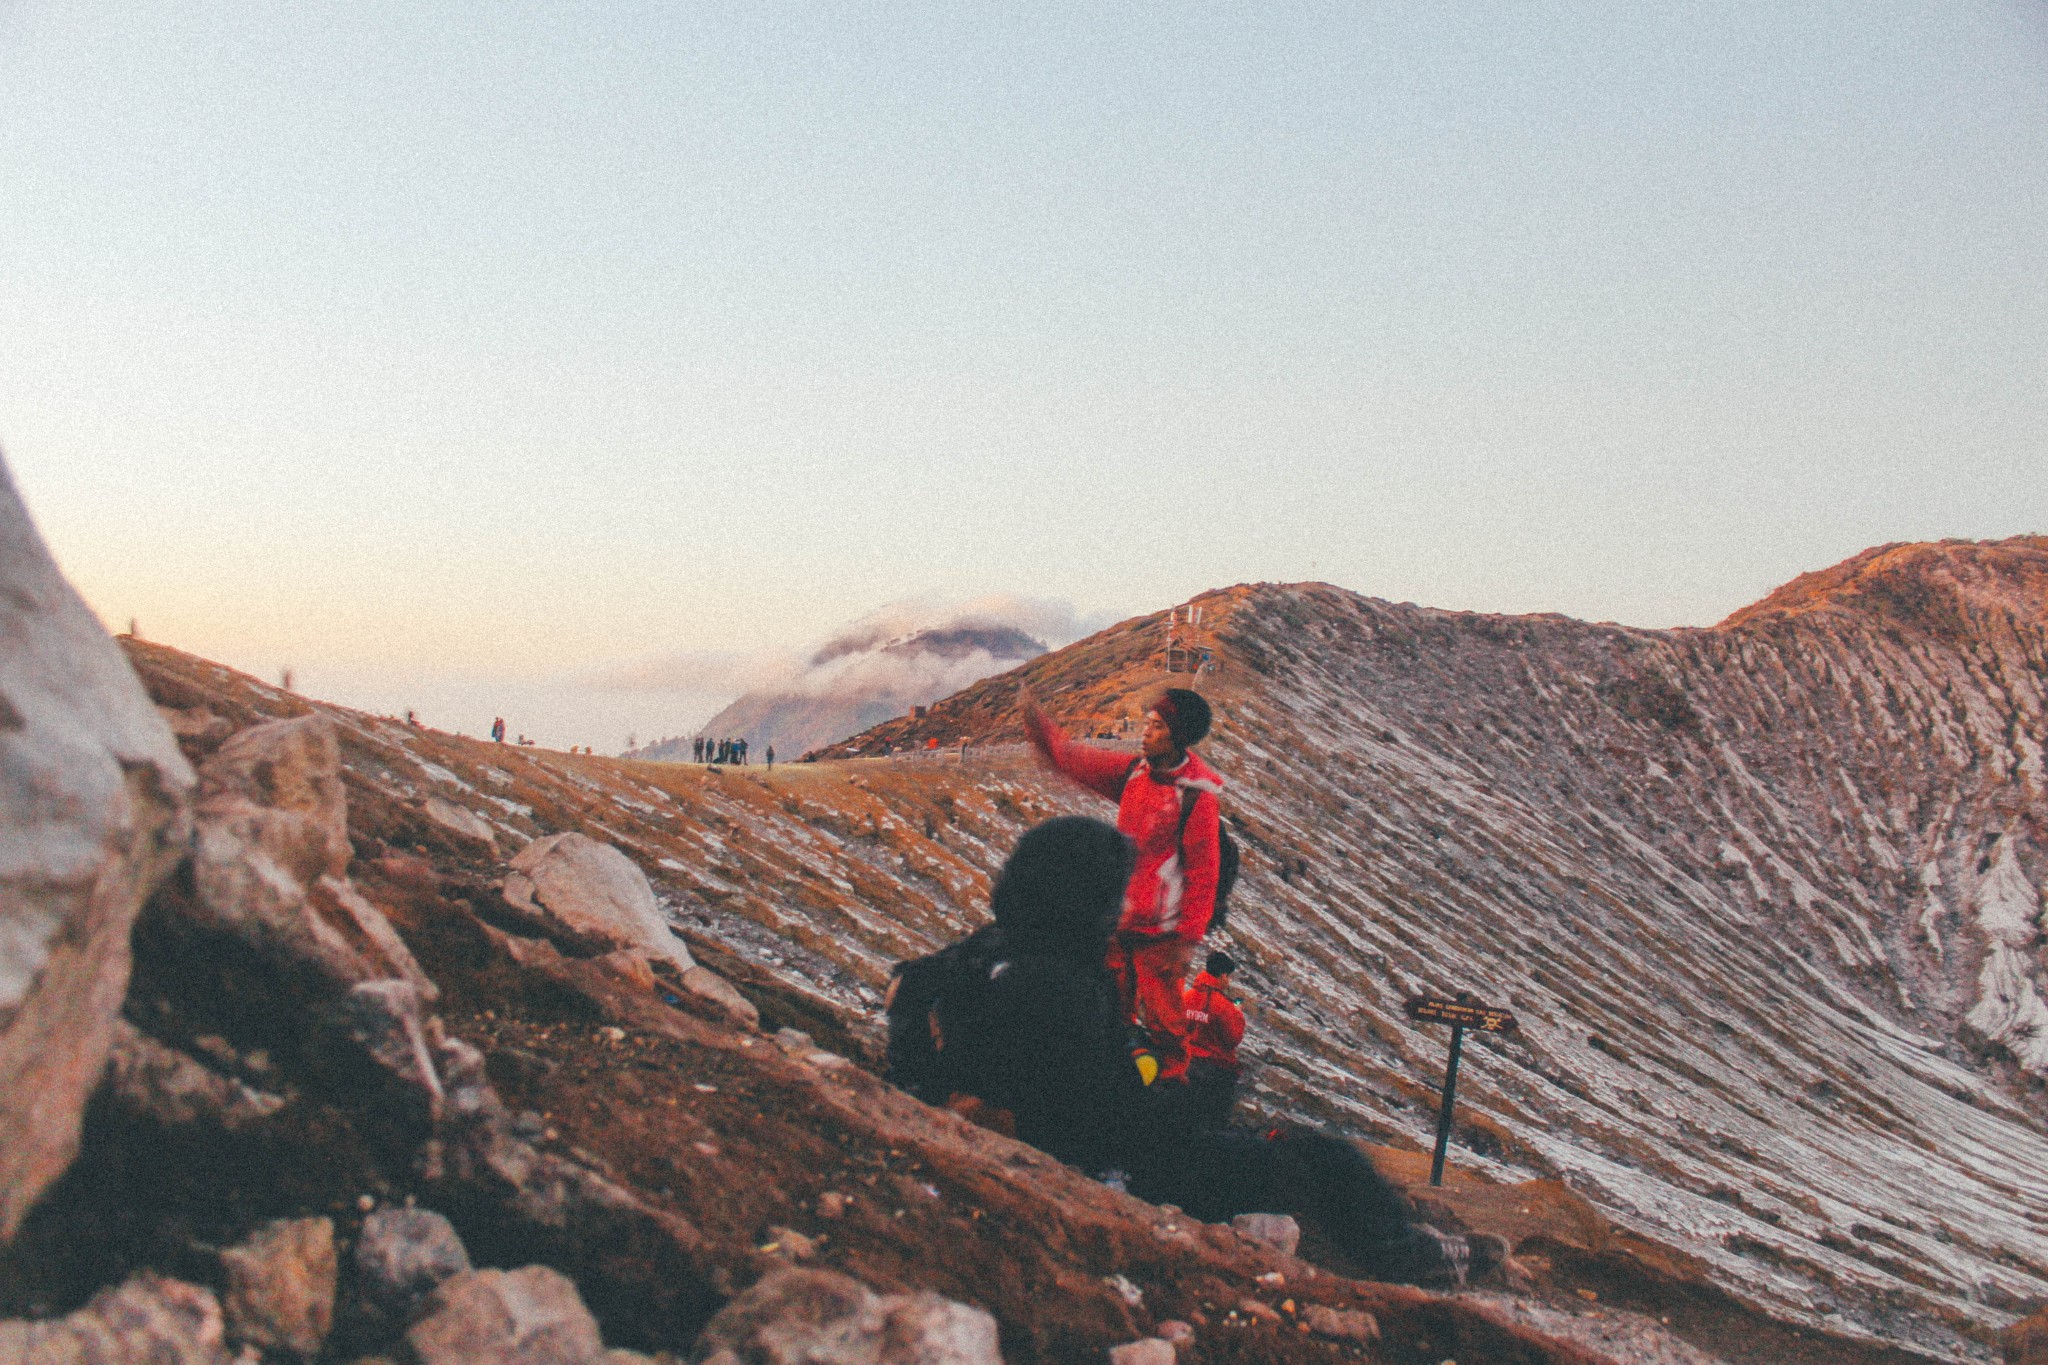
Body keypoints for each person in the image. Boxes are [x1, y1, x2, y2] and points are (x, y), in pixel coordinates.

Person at [885, 817, 1483, 1288]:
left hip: (1082, 1137)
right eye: (1114, 892)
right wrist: (1173, 1105)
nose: (1121, 906)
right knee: (1315, 1158)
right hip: (1125, 1165)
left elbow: (908, 991)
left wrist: (932, 1087)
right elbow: (1102, 1112)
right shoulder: (1058, 980)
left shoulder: (989, 950)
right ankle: (1409, 1256)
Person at [1023, 687, 1222, 1082]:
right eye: (1147, 724)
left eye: (1157, 726)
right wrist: (1041, 730)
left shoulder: (1196, 797)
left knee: (1166, 1022)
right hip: (1120, 919)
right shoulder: (1135, 773)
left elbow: (1203, 871)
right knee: (1111, 1009)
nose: (1146, 733)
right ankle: (1113, 1078)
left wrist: (1187, 939)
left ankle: (1168, 1090)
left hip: (1161, 932)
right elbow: (1077, 761)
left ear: (1178, 736)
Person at [1183, 951, 1246, 1129]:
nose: (1228, 982)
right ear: (1223, 975)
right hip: (1215, 1071)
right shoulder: (1224, 1006)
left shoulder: (1187, 996)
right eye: (1229, 977)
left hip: (1187, 1063)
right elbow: (1233, 1039)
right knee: (1212, 1123)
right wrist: (1237, 1012)